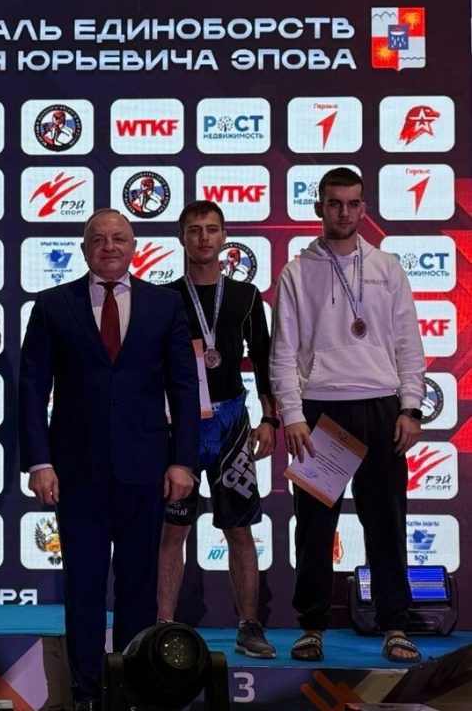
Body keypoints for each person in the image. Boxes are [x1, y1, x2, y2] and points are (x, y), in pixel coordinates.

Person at [19, 208, 200, 711]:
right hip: (76, 471)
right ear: (84, 249)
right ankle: (85, 692)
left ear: (134, 246)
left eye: (119, 238)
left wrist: (183, 461)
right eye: (98, 239)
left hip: (146, 468)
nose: (109, 247)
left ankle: (131, 689)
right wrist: (39, 462)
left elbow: (185, 388)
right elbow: (32, 390)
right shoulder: (53, 305)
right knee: (83, 584)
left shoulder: (164, 305)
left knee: (140, 585)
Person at [270, 168, 425, 664]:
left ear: (363, 208)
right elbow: (283, 353)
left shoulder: (387, 267)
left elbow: (408, 343)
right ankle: (312, 626)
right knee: (315, 527)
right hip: (322, 412)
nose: (343, 212)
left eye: (352, 203)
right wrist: (293, 415)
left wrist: (411, 407)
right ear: (319, 207)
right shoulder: (296, 272)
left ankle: (395, 625)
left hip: (380, 407)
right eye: (334, 203)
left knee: (387, 523)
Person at [156, 200, 278, 658]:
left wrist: (270, 419)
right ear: (182, 238)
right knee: (173, 531)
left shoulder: (246, 296)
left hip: (231, 426)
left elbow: (265, 360)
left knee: (240, 529)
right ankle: (162, 627)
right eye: (194, 230)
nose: (204, 238)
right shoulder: (165, 298)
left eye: (211, 229)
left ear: (224, 237)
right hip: (181, 427)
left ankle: (249, 625)